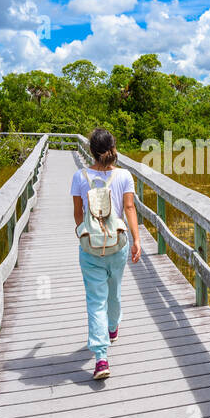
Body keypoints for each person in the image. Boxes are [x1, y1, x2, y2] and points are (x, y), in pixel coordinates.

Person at [71, 128, 141, 379]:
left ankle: (101, 358)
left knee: (95, 299)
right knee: (115, 290)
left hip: (90, 248)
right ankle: (112, 328)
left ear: (91, 150)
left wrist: (82, 232)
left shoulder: (80, 176)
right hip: (118, 244)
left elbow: (78, 213)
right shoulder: (124, 176)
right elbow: (130, 208)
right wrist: (136, 239)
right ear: (113, 148)